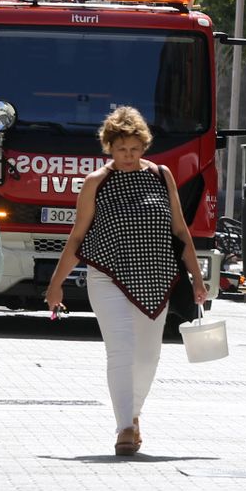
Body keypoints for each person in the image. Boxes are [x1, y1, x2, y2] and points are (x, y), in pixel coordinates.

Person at [46, 106, 207, 456]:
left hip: (155, 276)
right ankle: (123, 429)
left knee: (148, 356)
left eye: (135, 149)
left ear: (144, 146)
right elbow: (77, 237)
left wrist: (197, 278)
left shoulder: (161, 176)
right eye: (122, 150)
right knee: (120, 350)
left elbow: (179, 230)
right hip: (107, 276)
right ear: (109, 148)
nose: (129, 156)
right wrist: (56, 282)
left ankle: (133, 416)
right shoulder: (96, 183)